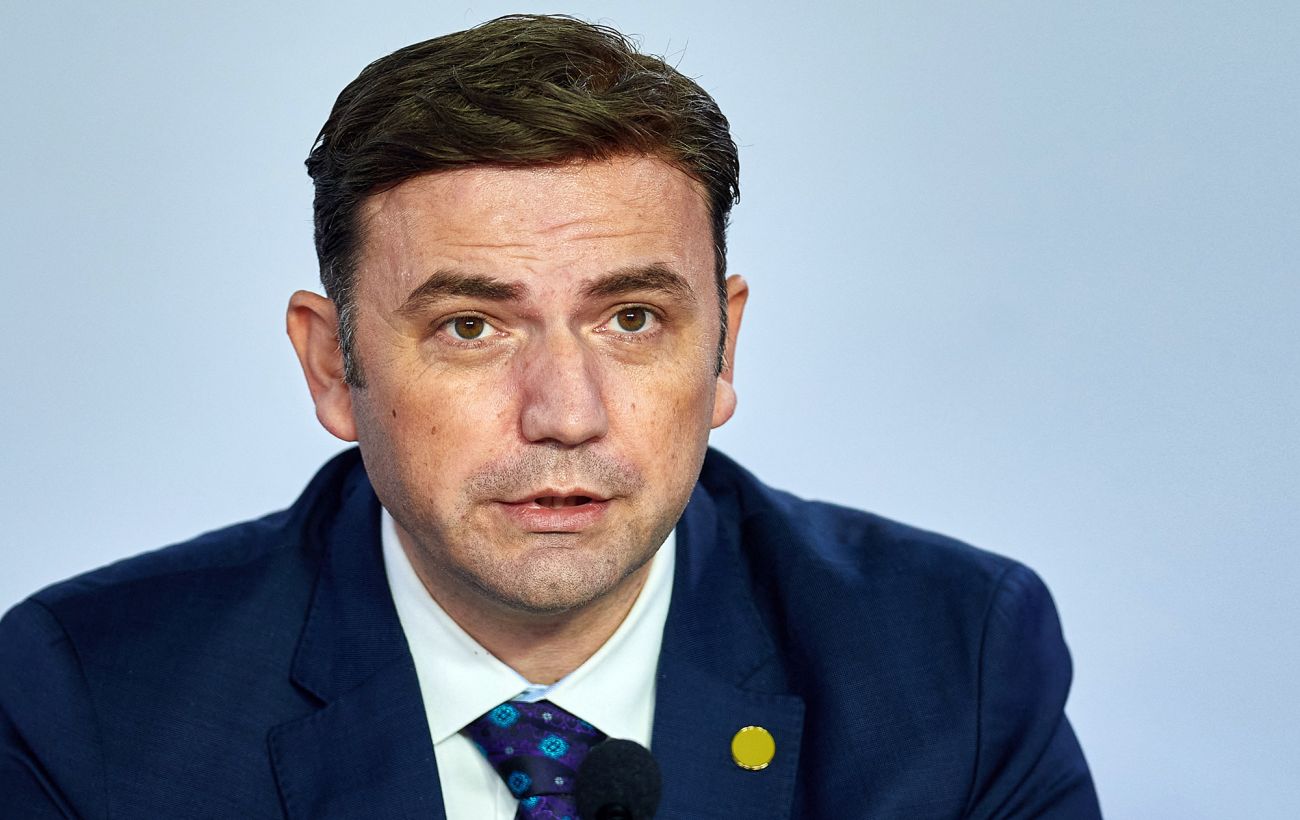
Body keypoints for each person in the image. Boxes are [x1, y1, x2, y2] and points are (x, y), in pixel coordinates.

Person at [0, 14, 1100, 819]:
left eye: (632, 319)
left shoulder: (950, 665)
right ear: (333, 366)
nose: (566, 415)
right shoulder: (92, 703)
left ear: (722, 348)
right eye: (471, 327)